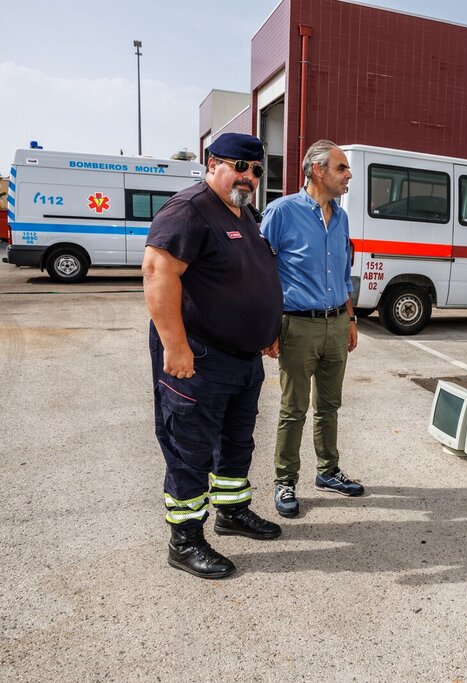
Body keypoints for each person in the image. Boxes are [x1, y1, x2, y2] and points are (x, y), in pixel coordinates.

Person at [143, 132, 284, 579]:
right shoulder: (189, 209)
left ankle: (232, 512)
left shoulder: (245, 214)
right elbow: (158, 272)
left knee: (237, 441)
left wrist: (266, 330)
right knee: (190, 449)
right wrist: (175, 346)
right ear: (212, 164)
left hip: (242, 358)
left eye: (256, 170)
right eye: (239, 166)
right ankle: (185, 541)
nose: (249, 176)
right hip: (200, 356)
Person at [260, 140, 364, 519]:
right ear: (317, 170)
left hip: (336, 323)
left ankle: (328, 471)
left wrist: (350, 319)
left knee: (329, 406)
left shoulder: (341, 217)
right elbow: (261, 272)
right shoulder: (281, 212)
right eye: (341, 168)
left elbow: (343, 273)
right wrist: (269, 327)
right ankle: (285, 480)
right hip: (297, 325)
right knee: (294, 409)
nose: (348, 175)